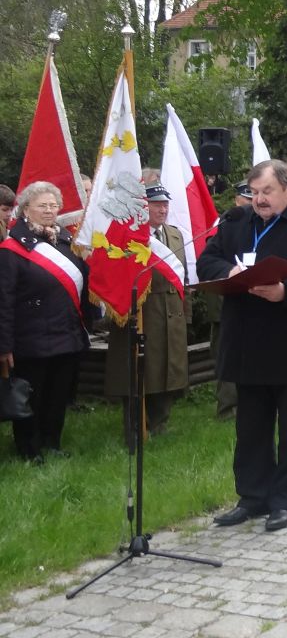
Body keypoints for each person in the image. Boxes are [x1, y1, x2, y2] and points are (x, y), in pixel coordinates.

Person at [197, 159, 287, 532]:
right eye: (254, 192)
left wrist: (286, 291)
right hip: (245, 344)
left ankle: (283, 501)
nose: (259, 199)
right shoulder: (236, 222)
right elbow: (207, 261)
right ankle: (252, 497)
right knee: (250, 429)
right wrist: (228, 272)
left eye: (267, 191)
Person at [0, 181, 90, 462]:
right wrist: (4, 346)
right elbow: (4, 301)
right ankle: (29, 448)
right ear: (26, 209)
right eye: (42, 205)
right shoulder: (11, 249)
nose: (49, 210)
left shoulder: (66, 241)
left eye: (53, 205)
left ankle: (52, 443)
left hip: (66, 333)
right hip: (31, 338)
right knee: (32, 395)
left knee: (57, 394)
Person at [104, 184, 191, 443]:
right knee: (141, 373)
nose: (162, 209)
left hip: (171, 314)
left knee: (168, 371)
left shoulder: (174, 234)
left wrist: (185, 315)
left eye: (165, 204)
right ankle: (136, 426)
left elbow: (183, 279)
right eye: (156, 205)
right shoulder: (130, 235)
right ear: (144, 207)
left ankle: (160, 423)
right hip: (145, 313)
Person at [207, 180, 253, 419]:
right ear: (237, 200)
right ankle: (227, 408)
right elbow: (210, 262)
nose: (251, 204)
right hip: (225, 301)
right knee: (227, 354)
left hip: (252, 302)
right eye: (247, 199)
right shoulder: (226, 223)